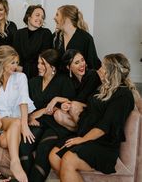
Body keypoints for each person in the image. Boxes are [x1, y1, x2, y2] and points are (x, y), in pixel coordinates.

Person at [49, 53, 140, 182]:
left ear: (111, 72)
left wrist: (83, 139)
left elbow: (106, 126)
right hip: (88, 135)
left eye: (103, 67)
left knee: (68, 159)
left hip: (104, 144)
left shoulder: (123, 95)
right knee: (54, 156)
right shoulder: (103, 88)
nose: (99, 69)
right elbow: (91, 109)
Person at [0, 45, 35, 182]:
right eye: (12, 62)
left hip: (14, 124)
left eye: (17, 62)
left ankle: (14, 161)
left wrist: (25, 125)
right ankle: (15, 162)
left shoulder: (21, 77)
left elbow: (23, 100)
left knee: (6, 140)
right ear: (2, 63)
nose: (15, 66)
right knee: (15, 122)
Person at [19, 49, 76, 182]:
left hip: (56, 126)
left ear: (53, 66)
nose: (38, 66)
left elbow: (68, 107)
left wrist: (47, 107)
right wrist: (32, 116)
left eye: (43, 64)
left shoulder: (64, 81)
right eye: (38, 63)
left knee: (43, 149)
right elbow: (26, 108)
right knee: (24, 147)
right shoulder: (33, 82)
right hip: (37, 123)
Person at [46, 49, 102, 131]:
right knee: (58, 114)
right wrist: (64, 105)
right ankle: (82, 132)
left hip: (93, 110)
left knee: (74, 106)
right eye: (76, 63)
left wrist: (58, 99)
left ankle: (86, 134)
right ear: (69, 67)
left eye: (82, 60)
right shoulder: (69, 80)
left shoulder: (92, 75)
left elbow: (81, 99)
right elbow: (69, 100)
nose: (82, 64)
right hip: (78, 114)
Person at [53, 5, 101, 70]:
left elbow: (92, 65)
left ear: (66, 18)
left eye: (57, 15)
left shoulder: (86, 38)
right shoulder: (55, 37)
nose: (54, 18)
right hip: (60, 79)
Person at [13, 4, 53, 79]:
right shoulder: (18, 33)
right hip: (19, 76)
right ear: (28, 17)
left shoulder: (46, 33)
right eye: (37, 15)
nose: (40, 19)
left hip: (38, 75)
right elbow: (15, 55)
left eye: (42, 17)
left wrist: (23, 69)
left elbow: (44, 58)